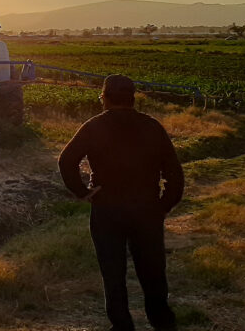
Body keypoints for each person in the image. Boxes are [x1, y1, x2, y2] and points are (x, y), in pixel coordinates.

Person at [58, 74, 184, 331]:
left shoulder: (94, 126)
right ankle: (162, 322)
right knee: (153, 272)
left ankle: (122, 325)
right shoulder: (152, 126)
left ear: (104, 98)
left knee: (113, 274)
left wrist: (83, 192)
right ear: (132, 98)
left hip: (107, 209)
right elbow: (175, 173)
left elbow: (66, 161)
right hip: (146, 209)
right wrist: (164, 205)